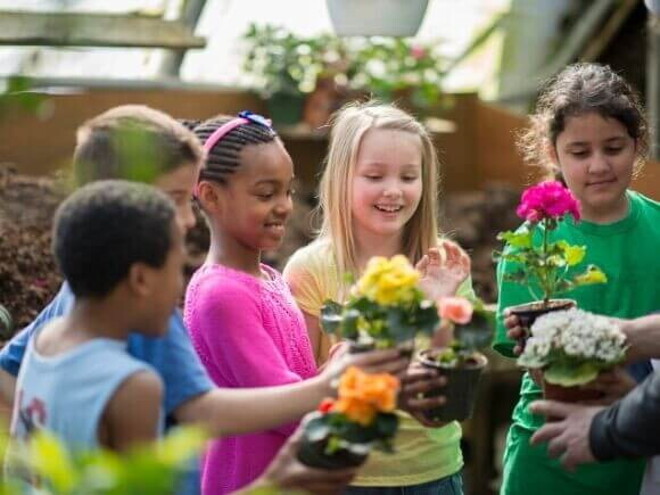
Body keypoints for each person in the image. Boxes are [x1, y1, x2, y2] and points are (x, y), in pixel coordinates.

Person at [0, 105, 404, 495]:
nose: (189, 216)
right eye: (176, 197)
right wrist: (329, 390)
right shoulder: (148, 333)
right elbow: (203, 412)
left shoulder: (55, 331)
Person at [184, 111, 410, 494]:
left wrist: (339, 363)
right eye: (265, 194)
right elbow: (288, 407)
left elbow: (303, 381)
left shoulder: (269, 278)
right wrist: (357, 380)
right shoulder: (222, 295)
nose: (285, 206)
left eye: (287, 191)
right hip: (253, 478)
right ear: (210, 195)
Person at [283, 102, 472, 495]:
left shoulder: (445, 264)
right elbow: (302, 392)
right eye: (374, 175)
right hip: (345, 476)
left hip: (433, 473)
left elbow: (451, 394)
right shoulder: (310, 269)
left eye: (408, 176)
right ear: (341, 179)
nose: (393, 190)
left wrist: (438, 308)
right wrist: (357, 353)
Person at [493, 63, 660, 495]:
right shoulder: (531, 244)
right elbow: (532, 359)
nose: (599, 165)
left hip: (636, 442)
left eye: (614, 147)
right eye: (580, 152)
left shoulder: (658, 227)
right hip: (546, 444)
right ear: (553, 153)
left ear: (638, 144)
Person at [5, 180, 182, 489]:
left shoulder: (43, 342)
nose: (180, 286)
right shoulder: (133, 386)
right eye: (178, 269)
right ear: (140, 278)